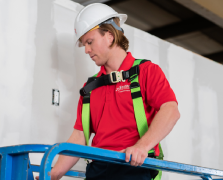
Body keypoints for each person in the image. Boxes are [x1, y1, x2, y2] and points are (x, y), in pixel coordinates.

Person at [36, 3, 180, 180]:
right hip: (98, 171)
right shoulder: (90, 88)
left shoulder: (146, 71)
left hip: (134, 167)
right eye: (84, 45)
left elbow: (170, 110)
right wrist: (51, 175)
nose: (87, 50)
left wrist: (142, 147)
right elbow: (79, 136)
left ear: (110, 36)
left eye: (90, 42)